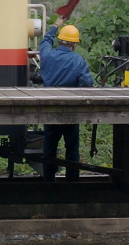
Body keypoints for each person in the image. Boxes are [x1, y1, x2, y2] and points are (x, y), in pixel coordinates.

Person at [39, 18, 93, 181]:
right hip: (70, 112)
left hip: (50, 110)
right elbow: (86, 84)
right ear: (74, 44)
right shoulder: (78, 61)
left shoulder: (47, 55)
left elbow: (45, 41)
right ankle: (72, 183)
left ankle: (49, 181)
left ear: (60, 41)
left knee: (49, 147)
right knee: (72, 148)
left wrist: (55, 26)